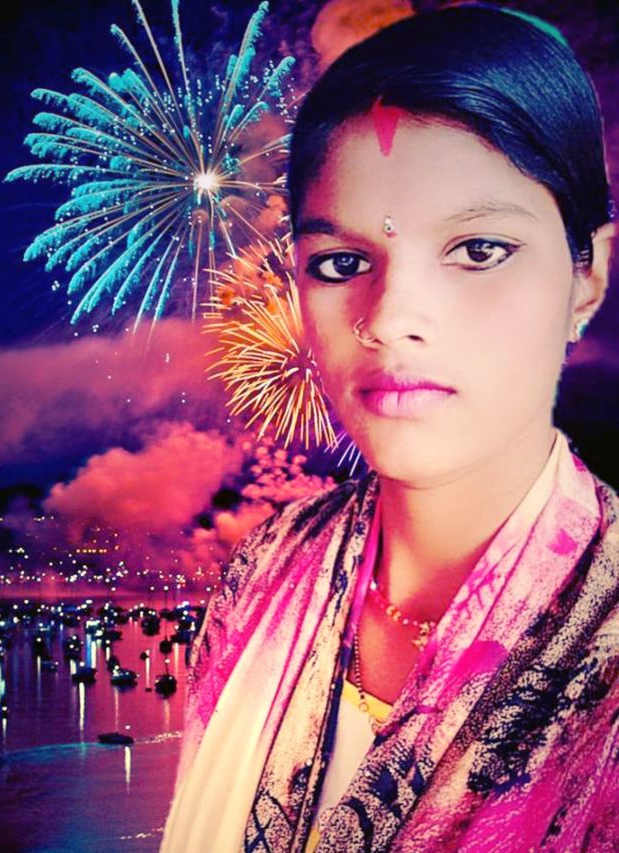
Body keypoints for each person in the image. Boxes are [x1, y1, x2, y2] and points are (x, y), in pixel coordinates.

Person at [161, 4, 619, 850]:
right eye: (340, 263)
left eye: (479, 249)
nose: (391, 318)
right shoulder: (264, 572)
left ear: (586, 276)